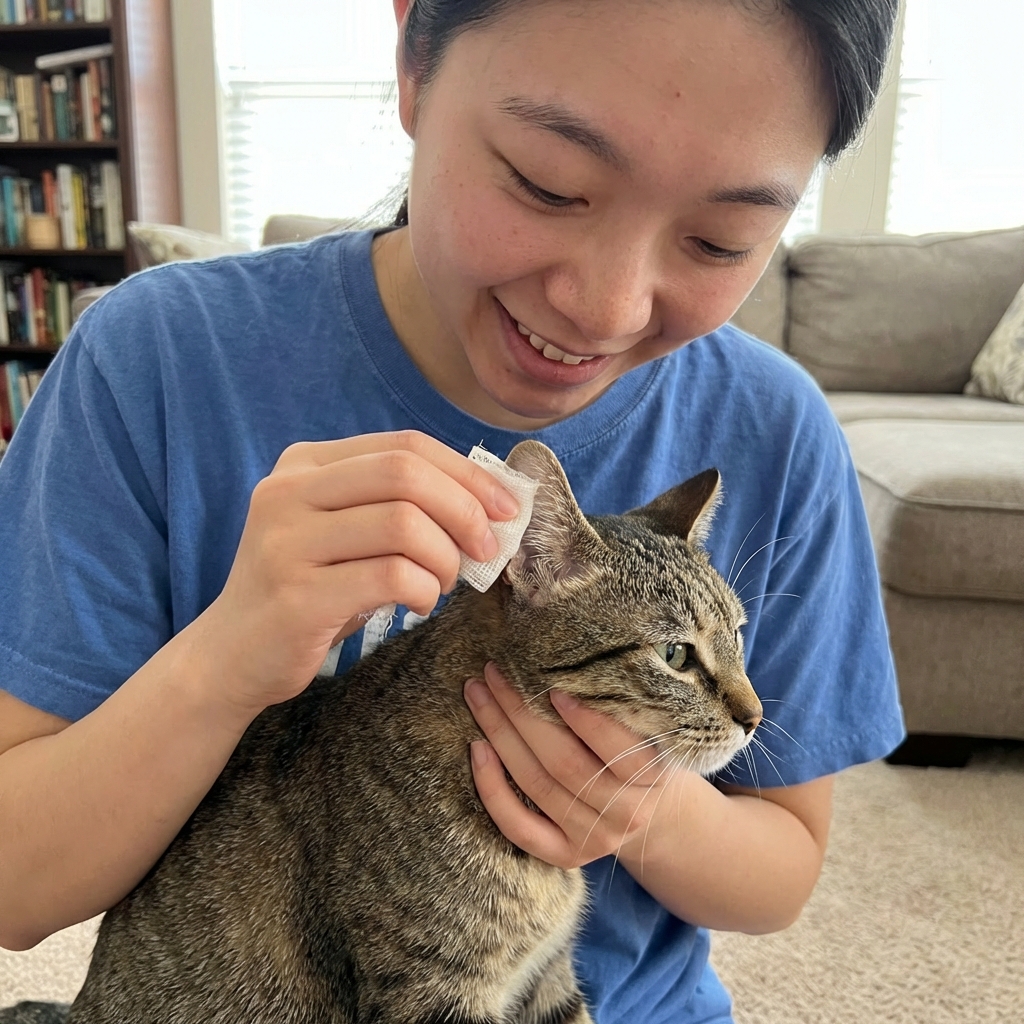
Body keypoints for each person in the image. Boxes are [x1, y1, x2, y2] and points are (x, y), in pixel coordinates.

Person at [0, 0, 906, 1020]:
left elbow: (781, 874)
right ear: (413, 56)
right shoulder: (155, 360)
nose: (603, 307)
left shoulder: (774, 427)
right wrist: (227, 659)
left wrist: (635, 800)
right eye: (547, 183)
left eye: (718, 238)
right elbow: (14, 887)